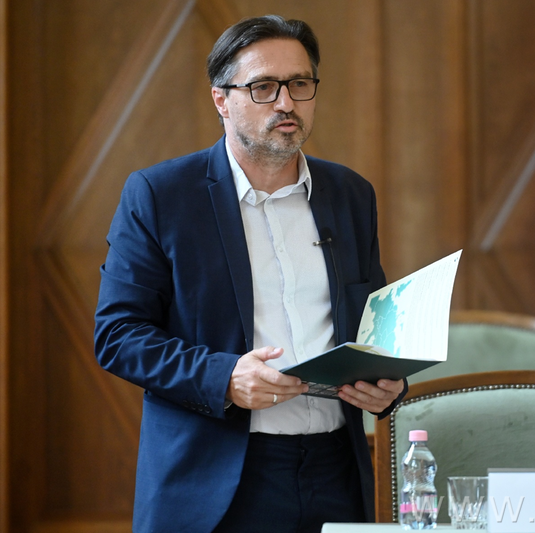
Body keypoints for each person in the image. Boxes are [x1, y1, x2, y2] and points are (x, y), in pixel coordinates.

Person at [94, 14, 406, 533]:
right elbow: (118, 335)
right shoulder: (161, 195)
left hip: (338, 470)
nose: (286, 103)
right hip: (218, 476)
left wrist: (387, 384)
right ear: (221, 99)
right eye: (263, 87)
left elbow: (371, 324)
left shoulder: (351, 194)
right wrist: (225, 378)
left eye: (299, 84)